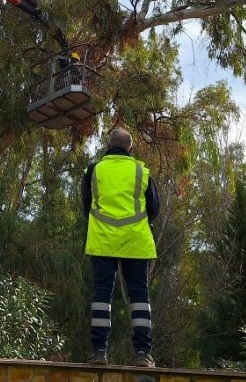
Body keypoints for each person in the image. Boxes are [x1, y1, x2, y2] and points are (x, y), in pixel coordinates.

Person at [81, 127, 160, 367]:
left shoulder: (94, 171)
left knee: (101, 296)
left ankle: (99, 353)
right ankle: (142, 354)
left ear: (108, 146)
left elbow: (86, 207)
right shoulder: (141, 171)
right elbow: (154, 208)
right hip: (135, 241)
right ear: (130, 148)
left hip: (103, 240)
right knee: (139, 296)